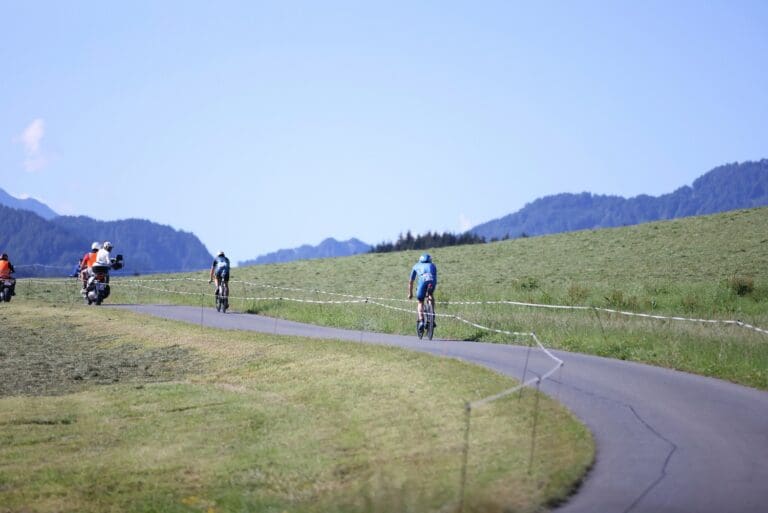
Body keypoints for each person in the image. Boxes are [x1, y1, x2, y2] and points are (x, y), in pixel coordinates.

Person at [408, 252, 437, 332]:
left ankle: (421, 321)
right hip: (432, 282)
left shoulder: (416, 266)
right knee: (430, 295)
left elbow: (411, 281)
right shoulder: (433, 265)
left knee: (420, 302)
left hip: (422, 283)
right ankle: (432, 316)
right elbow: (435, 277)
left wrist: (410, 293)